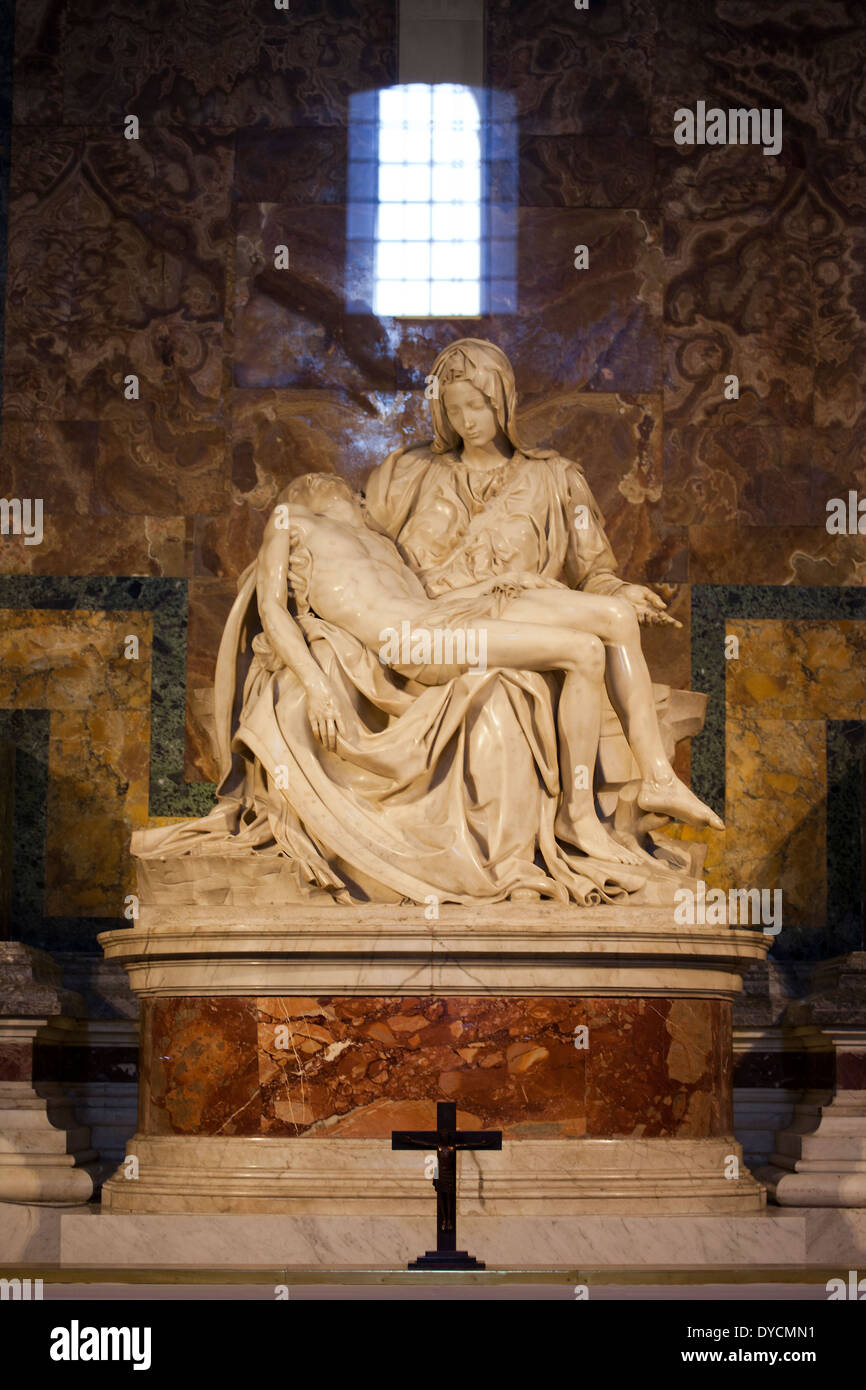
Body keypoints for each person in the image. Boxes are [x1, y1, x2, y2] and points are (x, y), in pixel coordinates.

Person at [257, 471, 722, 868]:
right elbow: (271, 609)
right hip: (416, 642)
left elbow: (423, 601)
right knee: (582, 653)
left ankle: (660, 778)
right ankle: (577, 817)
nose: (363, 499)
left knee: (614, 617)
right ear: (322, 489)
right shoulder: (291, 522)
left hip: (440, 620)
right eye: (354, 492)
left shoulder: (379, 545)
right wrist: (316, 686)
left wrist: (501, 582)